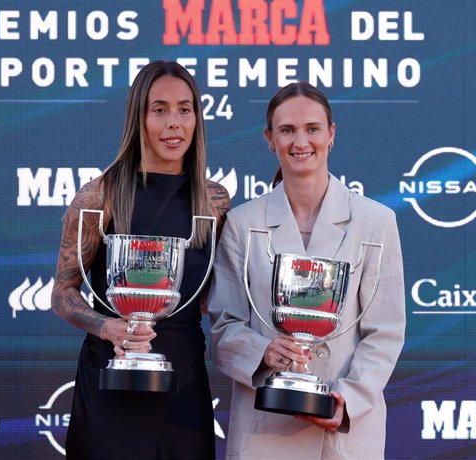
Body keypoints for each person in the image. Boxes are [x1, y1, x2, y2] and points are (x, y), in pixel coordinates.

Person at [208, 81, 405, 460]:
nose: (301, 141)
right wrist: (264, 351)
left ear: (331, 134)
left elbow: (385, 331)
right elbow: (224, 327)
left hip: (345, 435)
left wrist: (346, 402)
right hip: (265, 433)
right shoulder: (241, 223)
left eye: (312, 128)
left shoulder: (376, 222)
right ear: (269, 138)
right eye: (287, 130)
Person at [51, 60, 231, 460]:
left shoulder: (215, 201)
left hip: (183, 379)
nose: (174, 124)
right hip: (111, 379)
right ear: (139, 117)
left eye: (185, 110)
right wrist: (108, 327)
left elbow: (209, 297)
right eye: (160, 110)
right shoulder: (99, 196)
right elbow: (62, 292)